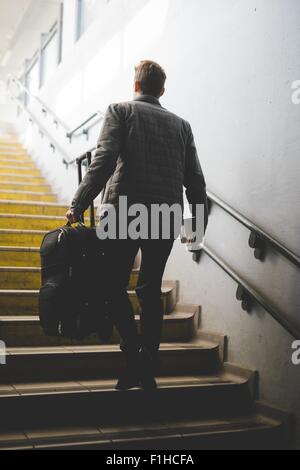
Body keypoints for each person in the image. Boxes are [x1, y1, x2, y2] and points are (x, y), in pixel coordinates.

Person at [66, 60, 208, 391]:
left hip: (123, 211)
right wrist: (196, 227)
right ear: (161, 90)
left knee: (113, 286)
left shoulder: (119, 111)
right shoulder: (182, 126)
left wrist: (79, 203)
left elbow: (102, 162)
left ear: (135, 86)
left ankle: (133, 355)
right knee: (149, 289)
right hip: (164, 215)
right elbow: (196, 181)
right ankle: (147, 361)